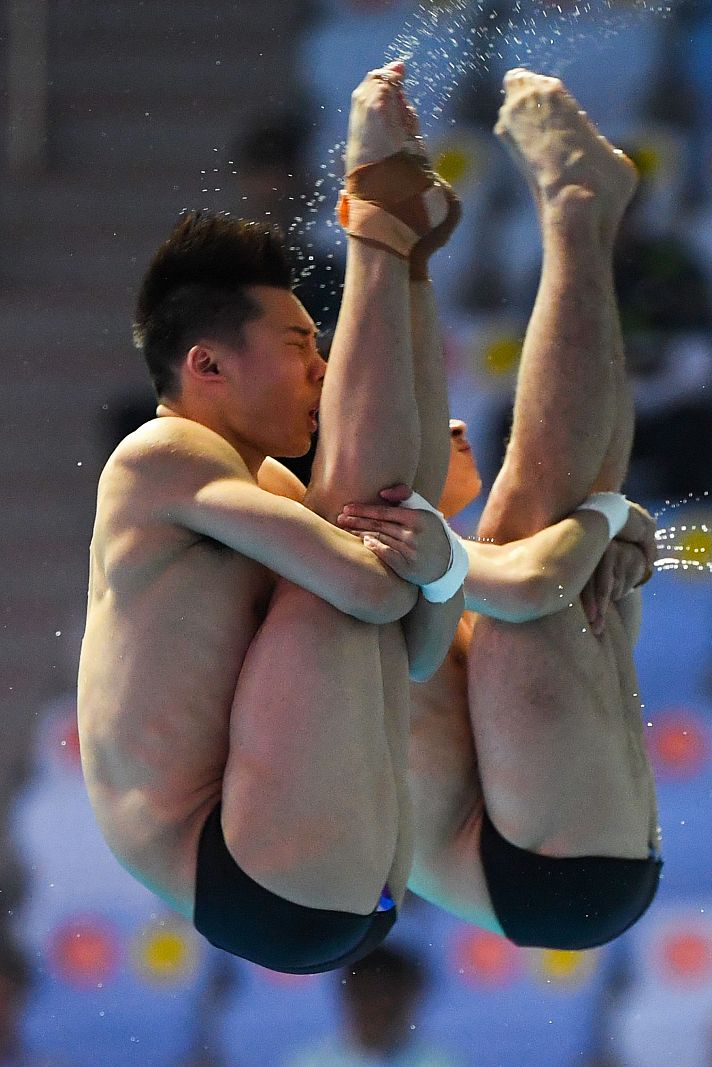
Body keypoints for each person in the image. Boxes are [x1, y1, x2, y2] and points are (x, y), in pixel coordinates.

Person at [77, 62, 466, 975]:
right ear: (206, 367)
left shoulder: (269, 493)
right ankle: (387, 240)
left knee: (362, 531)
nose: (321, 374)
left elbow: (407, 649)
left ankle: (392, 245)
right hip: (243, 865)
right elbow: (364, 595)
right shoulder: (157, 456)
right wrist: (420, 554)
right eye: (301, 348)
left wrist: (443, 565)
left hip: (329, 878)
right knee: (359, 529)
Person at [339, 70, 663, 950]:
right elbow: (538, 578)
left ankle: (581, 206)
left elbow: (562, 583)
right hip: (557, 867)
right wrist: (615, 523)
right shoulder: (364, 557)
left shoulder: (428, 574)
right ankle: (574, 205)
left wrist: (613, 523)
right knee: (529, 523)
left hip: (545, 841)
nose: (448, 429)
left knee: (544, 517)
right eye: (433, 437)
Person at [284, 944, 461, 1067]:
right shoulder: (311, 1063)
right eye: (366, 998)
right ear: (348, 998)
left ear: (408, 999)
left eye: (385, 1003)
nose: (375, 1010)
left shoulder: (438, 1062)